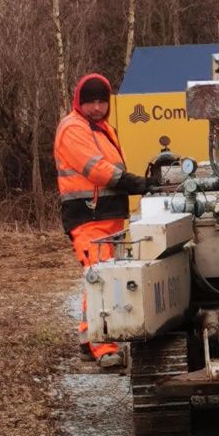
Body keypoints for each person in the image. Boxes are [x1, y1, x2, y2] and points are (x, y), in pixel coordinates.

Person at [54, 73, 149, 367]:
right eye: (90, 102)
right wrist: (133, 183)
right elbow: (96, 170)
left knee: (97, 278)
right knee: (101, 281)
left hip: (106, 216)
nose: (96, 107)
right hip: (88, 216)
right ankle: (104, 347)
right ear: (79, 102)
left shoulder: (100, 127)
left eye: (101, 101)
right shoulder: (73, 128)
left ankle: (88, 337)